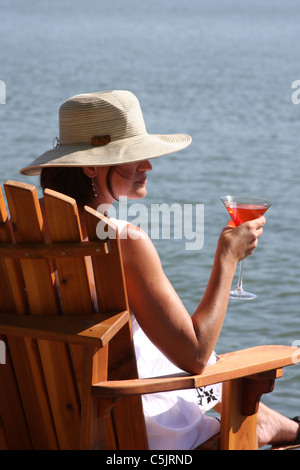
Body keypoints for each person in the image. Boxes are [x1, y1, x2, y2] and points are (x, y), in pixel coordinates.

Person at [20, 90, 300, 450]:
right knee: (225, 384)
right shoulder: (124, 243)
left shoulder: (14, 235)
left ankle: (272, 423)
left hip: (42, 423)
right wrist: (227, 259)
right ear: (90, 167)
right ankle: (265, 425)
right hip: (126, 434)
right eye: (131, 155)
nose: (147, 165)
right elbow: (196, 356)